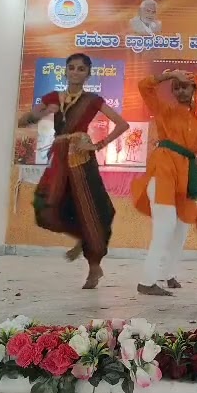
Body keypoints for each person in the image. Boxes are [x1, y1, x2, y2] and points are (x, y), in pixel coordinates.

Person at [21, 53, 128, 289]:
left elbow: (122, 125)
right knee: (44, 205)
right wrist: (36, 115)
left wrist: (98, 144)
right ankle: (81, 236)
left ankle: (94, 268)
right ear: (65, 71)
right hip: (60, 158)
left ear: (88, 74)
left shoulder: (92, 100)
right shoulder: (53, 97)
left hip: (81, 159)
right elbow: (26, 119)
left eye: (81, 69)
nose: (76, 72)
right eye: (72, 68)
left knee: (91, 208)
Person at [132, 68, 197, 296]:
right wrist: (170, 75)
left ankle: (167, 274)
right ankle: (147, 281)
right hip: (163, 171)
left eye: (184, 86)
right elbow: (144, 86)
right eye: (176, 87)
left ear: (195, 89)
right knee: (165, 226)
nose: (179, 90)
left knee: (181, 228)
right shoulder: (165, 110)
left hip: (186, 174)